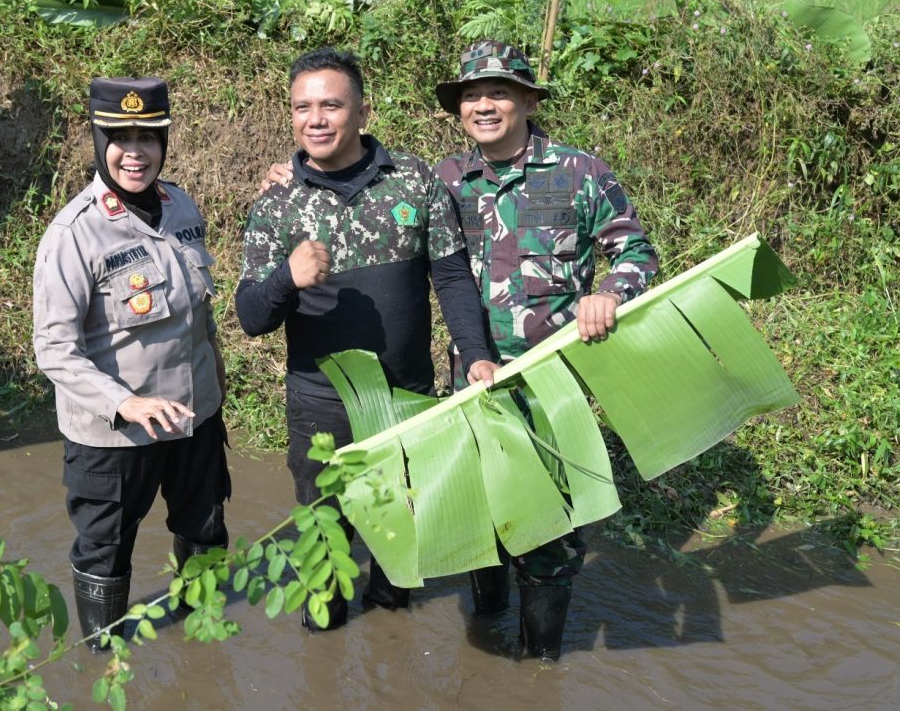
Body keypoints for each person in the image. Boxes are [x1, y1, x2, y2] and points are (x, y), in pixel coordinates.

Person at [235, 47, 498, 632]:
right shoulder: (277, 203)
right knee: (324, 548)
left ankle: (386, 654)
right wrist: (287, 277)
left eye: (331, 105)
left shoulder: (413, 178)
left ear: (362, 111)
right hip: (320, 407)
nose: (316, 119)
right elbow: (251, 316)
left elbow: (451, 277)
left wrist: (476, 355)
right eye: (302, 107)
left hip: (405, 399)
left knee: (396, 543)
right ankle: (322, 651)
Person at [434, 39, 659, 661]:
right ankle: (488, 635)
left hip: (553, 385)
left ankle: (541, 669)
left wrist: (610, 292)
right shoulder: (446, 181)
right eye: (472, 95)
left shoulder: (579, 173)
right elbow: (371, 192)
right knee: (482, 519)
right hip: (473, 384)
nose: (484, 105)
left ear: (529, 101)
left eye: (499, 92)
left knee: (550, 530)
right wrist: (292, 169)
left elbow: (636, 251)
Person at [33, 77, 230, 651]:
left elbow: (198, 310)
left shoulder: (181, 207)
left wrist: (215, 368)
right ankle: (103, 658)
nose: (135, 151)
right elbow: (55, 349)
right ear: (98, 142)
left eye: (150, 136)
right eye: (120, 137)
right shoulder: (74, 234)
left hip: (194, 418)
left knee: (205, 530)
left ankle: (205, 644)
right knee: (106, 548)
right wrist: (127, 403)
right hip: (112, 436)